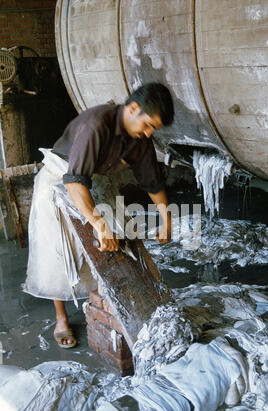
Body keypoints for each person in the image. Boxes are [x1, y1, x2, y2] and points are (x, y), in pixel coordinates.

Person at [22, 82, 175, 348]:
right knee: (59, 253)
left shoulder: (141, 139)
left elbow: (153, 181)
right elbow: (73, 181)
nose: (150, 133)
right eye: (148, 124)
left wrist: (166, 220)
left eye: (154, 129)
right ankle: (61, 318)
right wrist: (98, 223)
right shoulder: (97, 124)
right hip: (60, 179)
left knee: (112, 245)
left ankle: (102, 305)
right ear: (133, 109)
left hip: (93, 180)